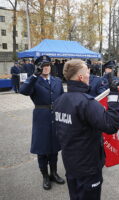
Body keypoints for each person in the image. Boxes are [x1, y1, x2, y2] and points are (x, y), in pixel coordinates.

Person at [53, 59, 119, 200]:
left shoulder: (59, 101)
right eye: (87, 72)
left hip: (70, 163)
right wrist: (114, 94)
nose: (89, 75)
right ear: (81, 77)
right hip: (88, 167)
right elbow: (111, 125)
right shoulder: (87, 103)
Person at [19, 55, 65, 190]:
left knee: (54, 148)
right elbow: (23, 91)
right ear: (38, 67)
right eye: (43, 65)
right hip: (41, 117)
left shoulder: (57, 81)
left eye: (48, 65)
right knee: (42, 148)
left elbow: (62, 98)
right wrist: (34, 76)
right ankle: (45, 176)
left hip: (55, 116)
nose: (46, 67)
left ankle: (54, 173)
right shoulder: (34, 81)